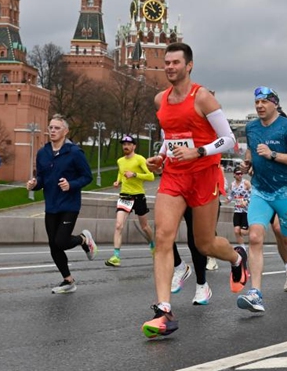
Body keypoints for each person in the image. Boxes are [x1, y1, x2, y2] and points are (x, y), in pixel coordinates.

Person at [142, 43, 245, 339]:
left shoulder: (202, 97)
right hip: (174, 177)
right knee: (163, 236)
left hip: (204, 175)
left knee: (205, 244)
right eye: (167, 63)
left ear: (189, 66)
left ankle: (237, 258)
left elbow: (228, 140)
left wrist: (198, 152)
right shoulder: (160, 99)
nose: (170, 67)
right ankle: (164, 310)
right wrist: (161, 155)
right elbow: (169, 135)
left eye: (176, 62)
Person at [236, 86, 287, 312]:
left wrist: (273, 155)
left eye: (264, 102)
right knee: (254, 236)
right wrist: (248, 163)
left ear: (275, 104)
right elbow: (251, 151)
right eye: (256, 102)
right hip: (261, 191)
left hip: (286, 192)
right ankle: (256, 293)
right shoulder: (251, 127)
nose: (259, 106)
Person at [26, 115, 96, 293]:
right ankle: (68, 280)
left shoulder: (74, 152)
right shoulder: (43, 153)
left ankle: (83, 239)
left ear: (66, 131)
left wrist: (71, 185)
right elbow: (42, 177)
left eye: (57, 128)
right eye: (50, 127)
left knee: (61, 241)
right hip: (51, 205)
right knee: (53, 245)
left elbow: (87, 176)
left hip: (69, 204)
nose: (53, 131)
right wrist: (35, 184)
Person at [105, 135, 155, 267]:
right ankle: (116, 257)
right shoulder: (120, 161)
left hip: (138, 196)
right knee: (118, 225)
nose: (125, 146)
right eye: (124, 144)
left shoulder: (139, 159)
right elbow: (121, 173)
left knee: (145, 227)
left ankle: (153, 244)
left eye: (128, 144)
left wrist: (134, 175)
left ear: (134, 146)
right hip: (124, 196)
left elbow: (151, 176)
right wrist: (118, 181)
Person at [228, 166, 251, 246]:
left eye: (241, 173)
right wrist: (228, 199)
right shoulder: (232, 184)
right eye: (238, 174)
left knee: (243, 232)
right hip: (237, 210)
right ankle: (243, 248)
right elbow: (231, 195)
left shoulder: (246, 183)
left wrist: (246, 201)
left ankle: (254, 229)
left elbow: (254, 195)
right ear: (234, 175)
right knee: (236, 231)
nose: (240, 175)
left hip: (246, 211)